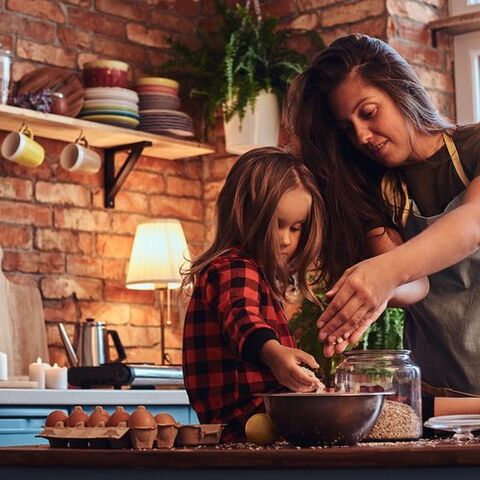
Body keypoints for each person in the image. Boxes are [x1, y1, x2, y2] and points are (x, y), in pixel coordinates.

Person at [284, 32, 480, 395]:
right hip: (445, 396)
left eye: (368, 113)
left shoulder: (475, 148)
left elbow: (472, 223)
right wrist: (372, 292)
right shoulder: (370, 191)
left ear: (400, 88)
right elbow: (417, 285)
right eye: (347, 127)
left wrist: (383, 273)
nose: (361, 135)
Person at [181, 147, 326, 442]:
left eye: (296, 228)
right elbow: (242, 317)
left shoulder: (250, 272)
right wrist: (274, 354)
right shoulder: (234, 267)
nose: (286, 239)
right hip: (245, 426)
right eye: (277, 223)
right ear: (243, 213)